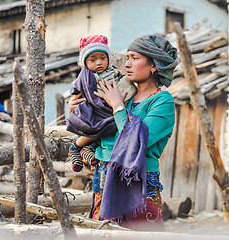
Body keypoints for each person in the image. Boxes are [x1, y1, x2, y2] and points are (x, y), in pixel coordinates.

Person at [68, 34, 178, 231]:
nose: (127, 64)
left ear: (154, 65)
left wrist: (117, 105)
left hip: (139, 181)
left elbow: (138, 140)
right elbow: (96, 127)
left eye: (135, 58)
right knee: (102, 234)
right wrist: (74, 112)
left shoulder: (162, 102)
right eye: (127, 57)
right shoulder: (123, 94)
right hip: (104, 176)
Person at [67, 35, 136, 172]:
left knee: (107, 126)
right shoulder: (86, 77)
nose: (98, 63)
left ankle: (85, 150)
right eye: (93, 60)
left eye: (103, 59)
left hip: (111, 108)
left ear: (109, 59)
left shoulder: (115, 73)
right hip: (93, 110)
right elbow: (76, 92)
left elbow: (122, 85)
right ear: (85, 62)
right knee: (97, 125)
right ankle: (75, 147)